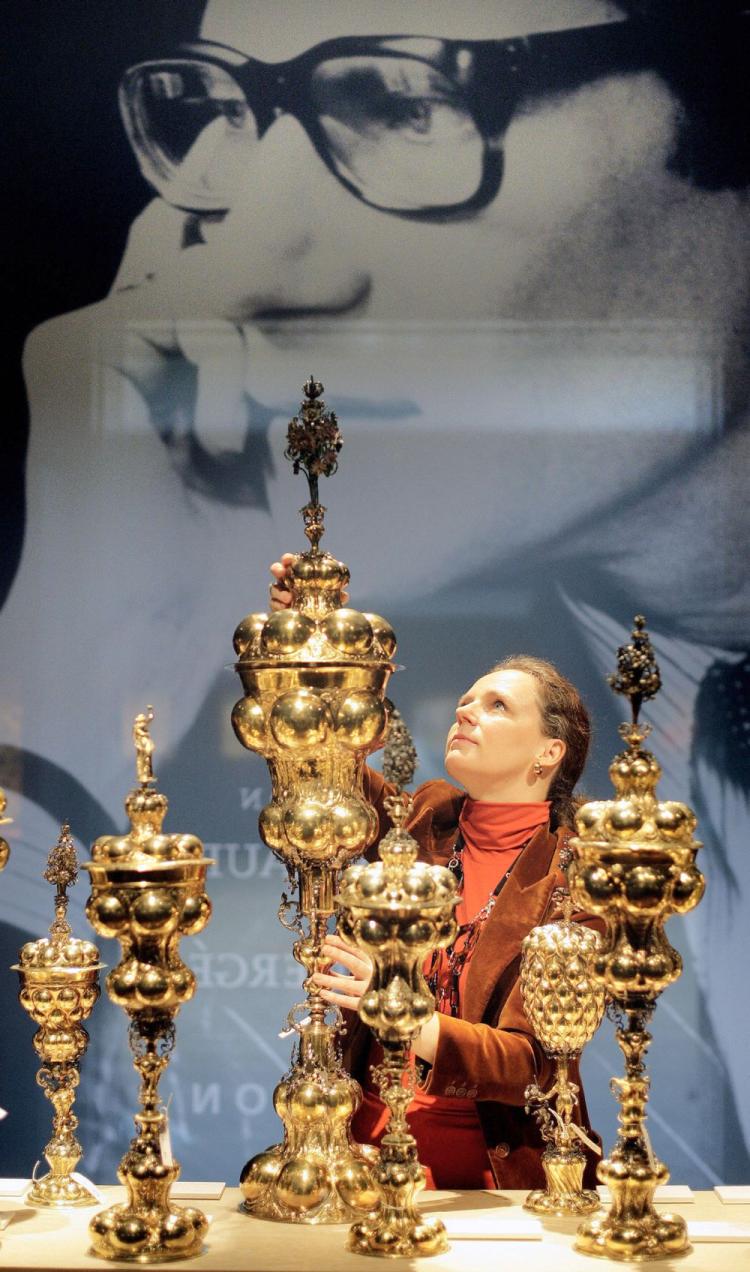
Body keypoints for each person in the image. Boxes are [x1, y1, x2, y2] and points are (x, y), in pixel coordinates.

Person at [3, 0, 748, 1182]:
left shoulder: (576, 824)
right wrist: (86, 650)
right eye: (223, 120)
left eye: (407, 101)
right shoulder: (395, 814)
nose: (252, 266)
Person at [270, 557, 600, 1189]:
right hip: (366, 1157)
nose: (466, 711)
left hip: (497, 1177)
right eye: (466, 700)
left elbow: (537, 1064)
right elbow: (323, 770)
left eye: (497, 705)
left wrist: (405, 1012)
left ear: (549, 752)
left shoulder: (577, 873)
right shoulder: (424, 815)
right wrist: (305, 650)